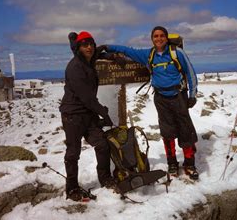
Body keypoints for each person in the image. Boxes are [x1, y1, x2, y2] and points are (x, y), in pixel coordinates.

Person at [100, 26, 199, 180]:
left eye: (161, 36)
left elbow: (190, 72)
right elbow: (128, 50)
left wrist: (192, 95)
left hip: (178, 96)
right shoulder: (149, 54)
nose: (159, 39)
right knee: (167, 131)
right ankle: (172, 163)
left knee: (185, 130)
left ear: (166, 38)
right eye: (155, 36)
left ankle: (189, 163)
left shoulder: (176, 52)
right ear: (152, 39)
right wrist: (108, 47)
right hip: (161, 98)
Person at [59, 31, 117, 201]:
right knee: (73, 153)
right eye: (85, 44)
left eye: (91, 43)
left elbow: (96, 52)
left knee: (102, 145)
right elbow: (87, 97)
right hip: (73, 115)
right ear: (79, 48)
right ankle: (72, 188)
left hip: (87, 114)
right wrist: (104, 113)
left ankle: (105, 178)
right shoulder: (75, 68)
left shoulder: (87, 57)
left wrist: (112, 57)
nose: (89, 47)